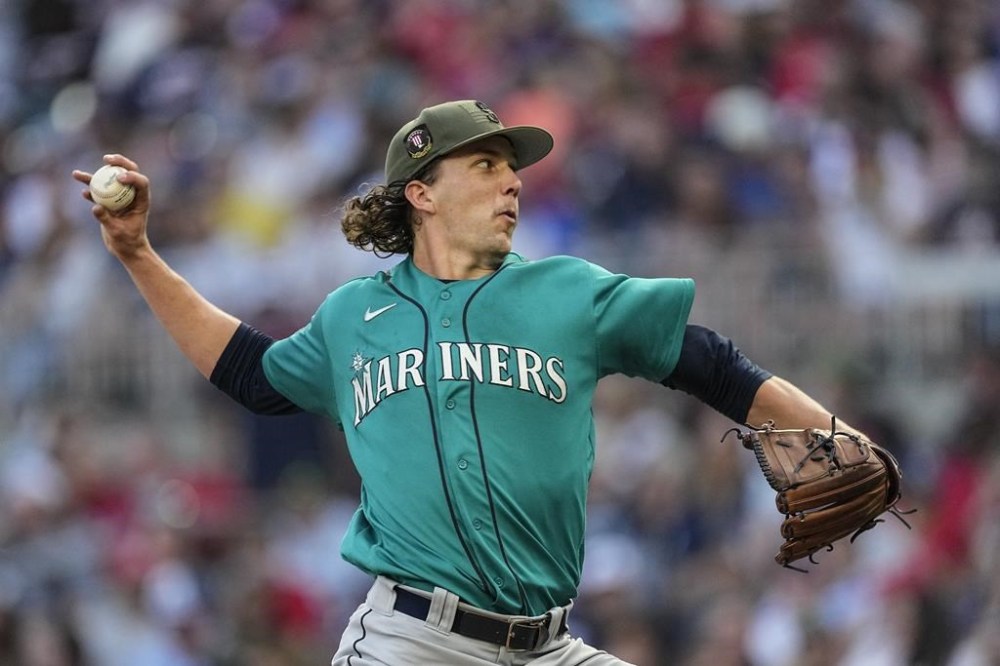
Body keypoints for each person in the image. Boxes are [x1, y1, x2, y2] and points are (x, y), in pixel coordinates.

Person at [73, 100, 866, 665]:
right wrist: (139, 255)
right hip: (412, 642)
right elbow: (252, 373)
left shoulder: (567, 291)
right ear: (421, 193)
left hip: (549, 644)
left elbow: (712, 364)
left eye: (512, 169)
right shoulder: (354, 317)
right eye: (485, 165)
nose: (512, 182)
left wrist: (830, 434)